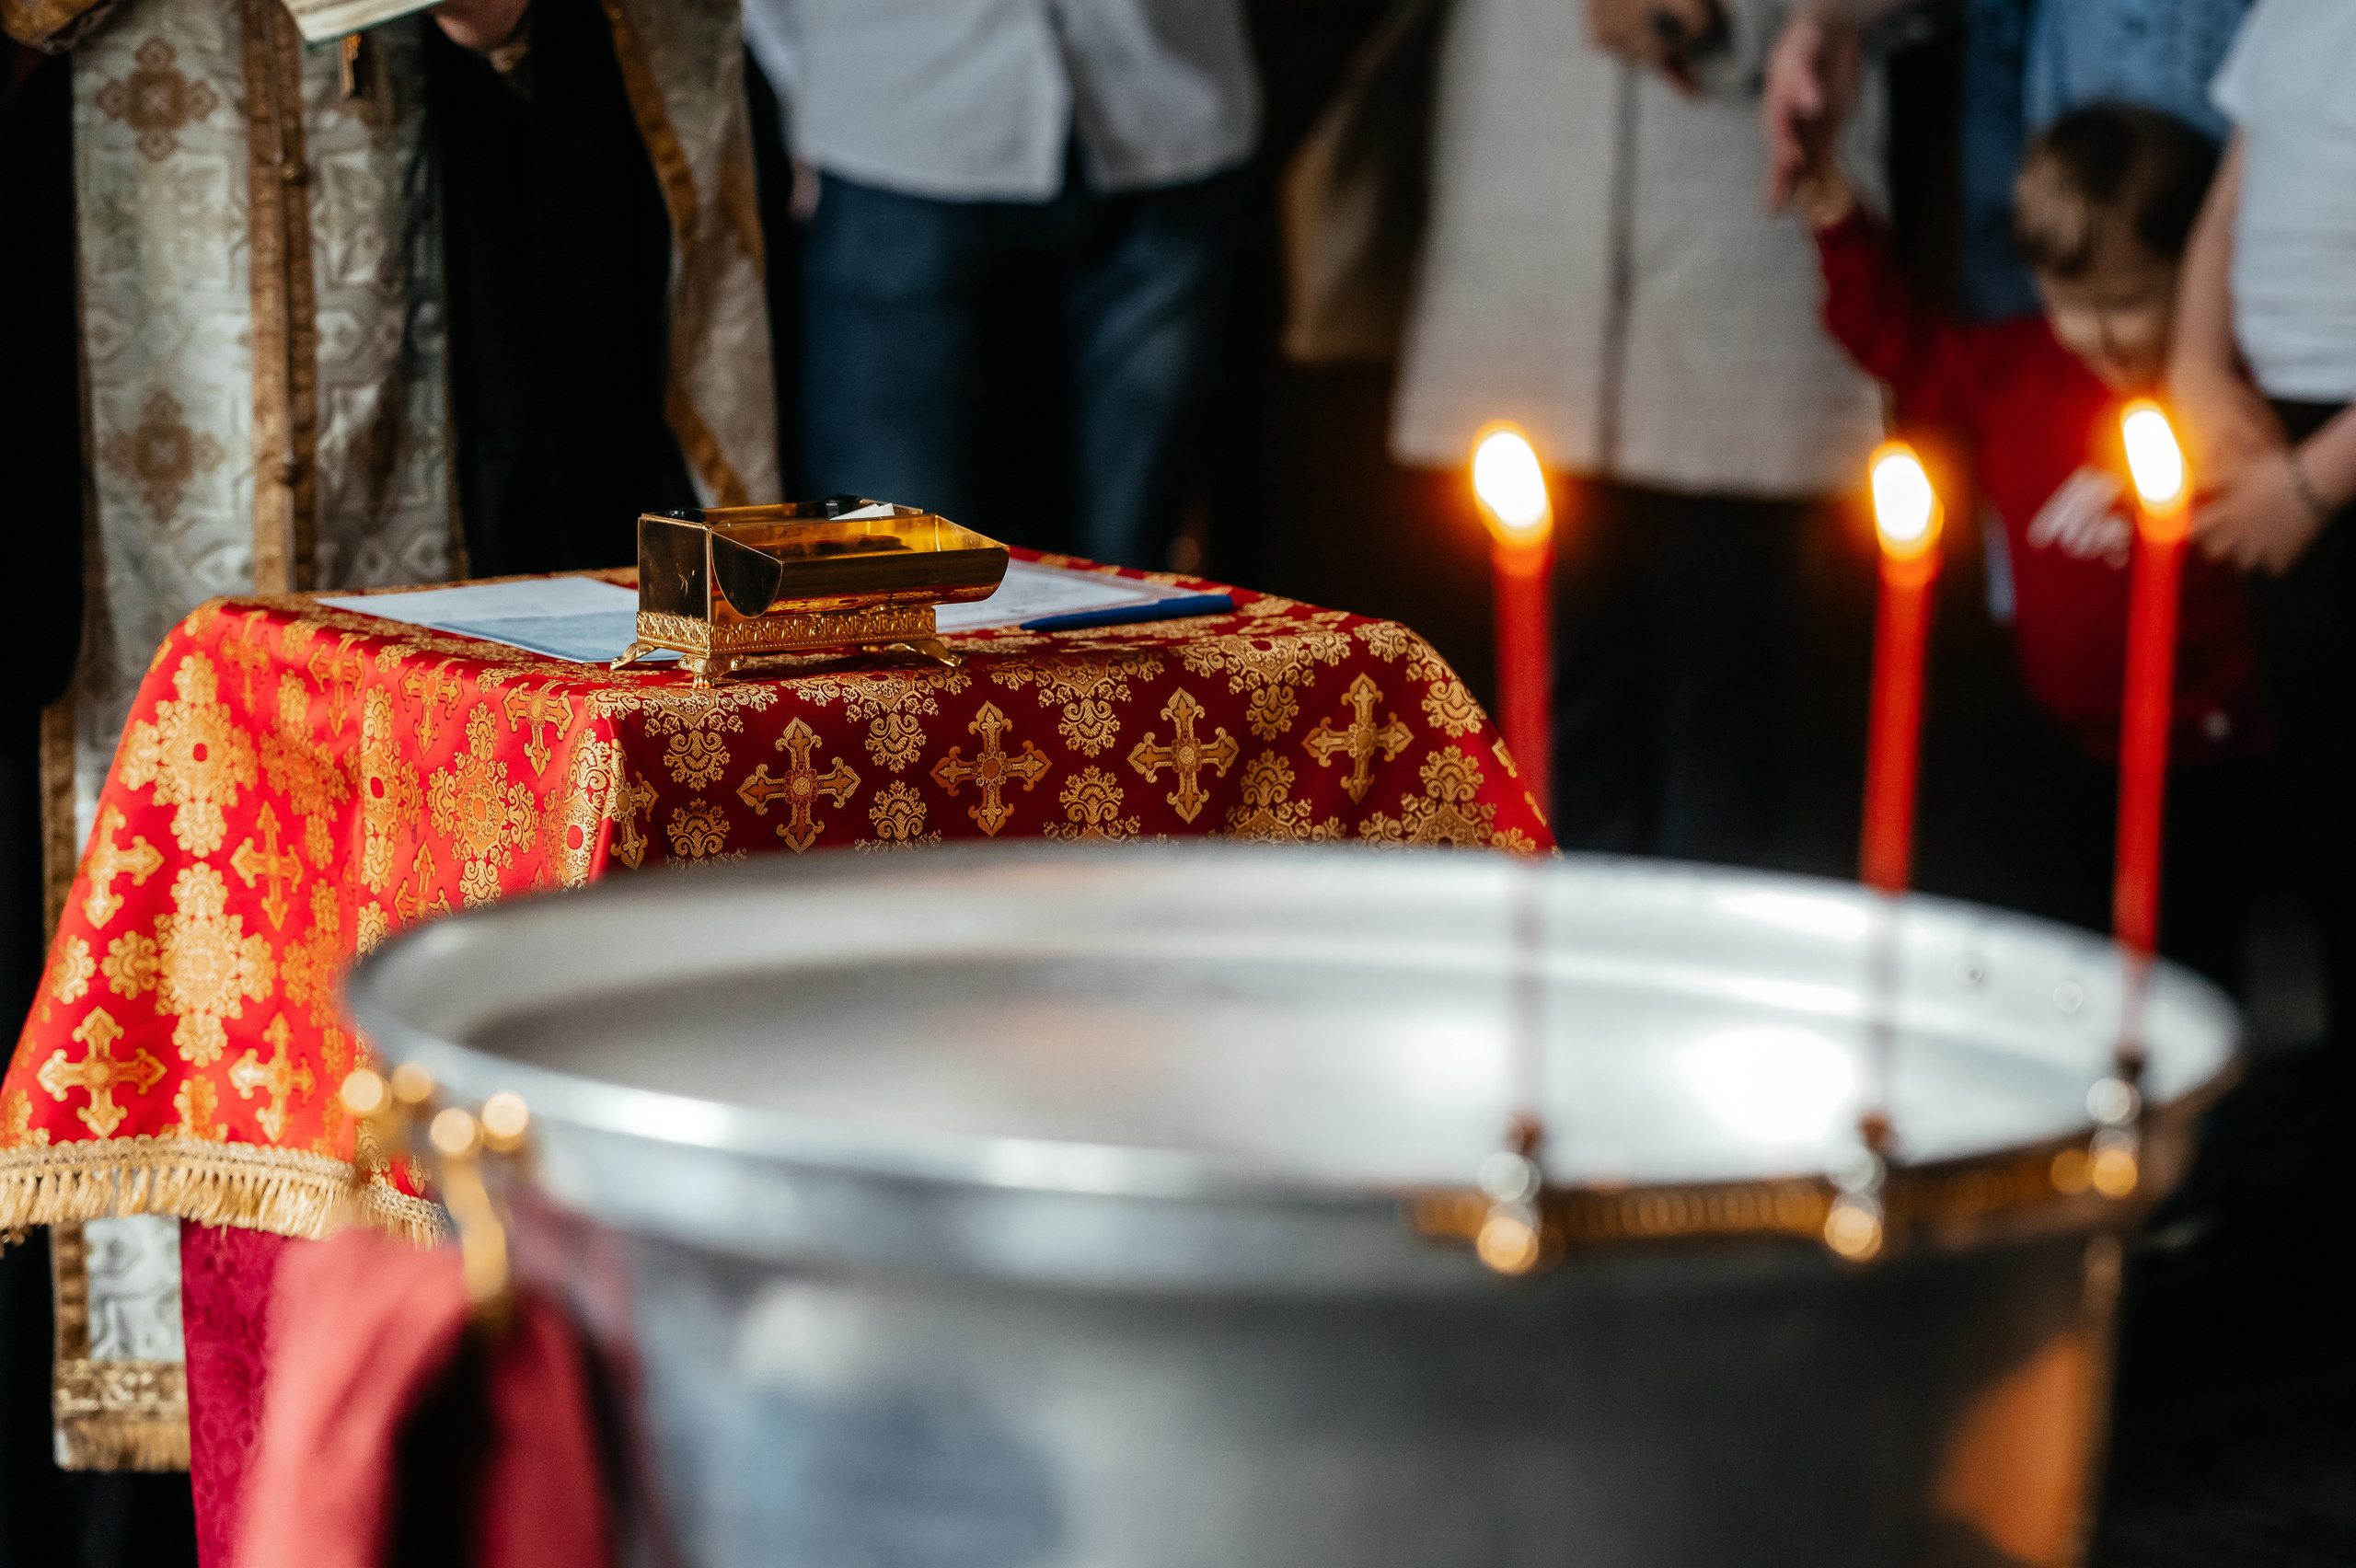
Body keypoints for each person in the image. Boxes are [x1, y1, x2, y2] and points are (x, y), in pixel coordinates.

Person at [1392, 0, 1887, 868]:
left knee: (1733, 664)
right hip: (1534, 159)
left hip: (1746, 184)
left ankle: (1712, 973)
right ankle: (1560, 969)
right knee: (1551, 668)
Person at [1796, 99, 2263, 990]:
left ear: (2196, 271)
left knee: (2191, 970)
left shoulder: (2230, 404)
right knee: (2047, 941)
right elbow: (1902, 346)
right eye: (2067, 303)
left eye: (2126, 302)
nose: (2096, 334)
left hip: (2212, 762)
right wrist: (1836, 222)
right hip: (2069, 747)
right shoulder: (2020, 374)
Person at [742, 0, 1258, 572]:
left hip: (1171, 119)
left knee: (1125, 569)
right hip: (891, 139)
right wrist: (806, 84)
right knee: (898, 573)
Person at [2169, 0, 2356, 1048]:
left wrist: (2317, 484)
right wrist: (2194, 368)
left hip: (2331, 460)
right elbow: (2230, 196)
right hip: (2271, 433)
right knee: (2324, 812)